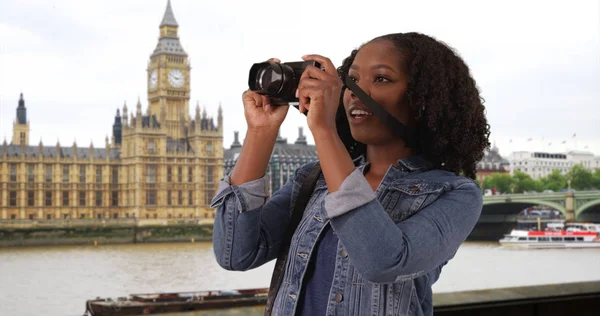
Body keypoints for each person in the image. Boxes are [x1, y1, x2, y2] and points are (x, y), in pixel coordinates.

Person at [211, 32, 489, 316]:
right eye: (351, 81)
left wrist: (325, 130)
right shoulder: (312, 181)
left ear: (424, 97)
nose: (355, 92)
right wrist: (261, 131)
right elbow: (235, 254)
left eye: (381, 79)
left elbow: (383, 261)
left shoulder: (456, 194)